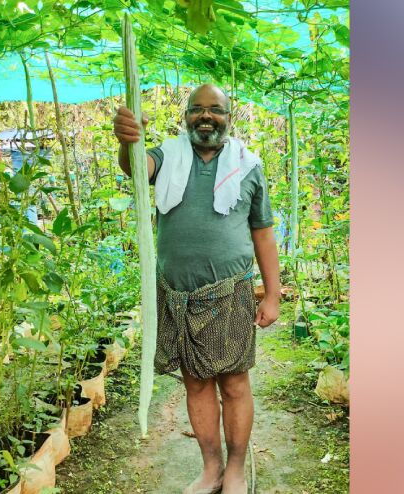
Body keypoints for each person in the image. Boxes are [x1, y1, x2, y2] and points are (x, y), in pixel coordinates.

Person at [113, 84, 280, 494]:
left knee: (234, 384)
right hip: (177, 295)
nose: (206, 116)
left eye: (215, 109)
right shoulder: (167, 155)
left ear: (228, 117)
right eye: (197, 109)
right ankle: (212, 469)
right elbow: (136, 169)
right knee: (196, 383)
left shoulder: (248, 166)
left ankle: (236, 471)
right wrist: (128, 142)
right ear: (186, 115)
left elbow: (262, 233)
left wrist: (273, 294)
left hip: (231, 294)